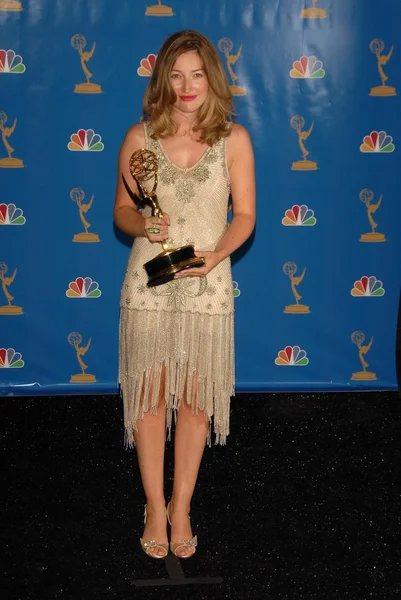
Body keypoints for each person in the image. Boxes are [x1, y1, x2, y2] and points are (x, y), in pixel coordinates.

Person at [114, 30, 255, 559]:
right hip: (147, 286)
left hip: (207, 286)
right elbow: (122, 212)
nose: (187, 85)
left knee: (197, 403)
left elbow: (244, 216)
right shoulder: (138, 138)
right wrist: (143, 222)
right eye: (176, 75)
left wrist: (218, 256)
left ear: (211, 78)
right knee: (150, 400)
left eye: (197, 74)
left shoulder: (233, 140)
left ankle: (182, 507)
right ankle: (153, 506)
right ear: (162, 79)